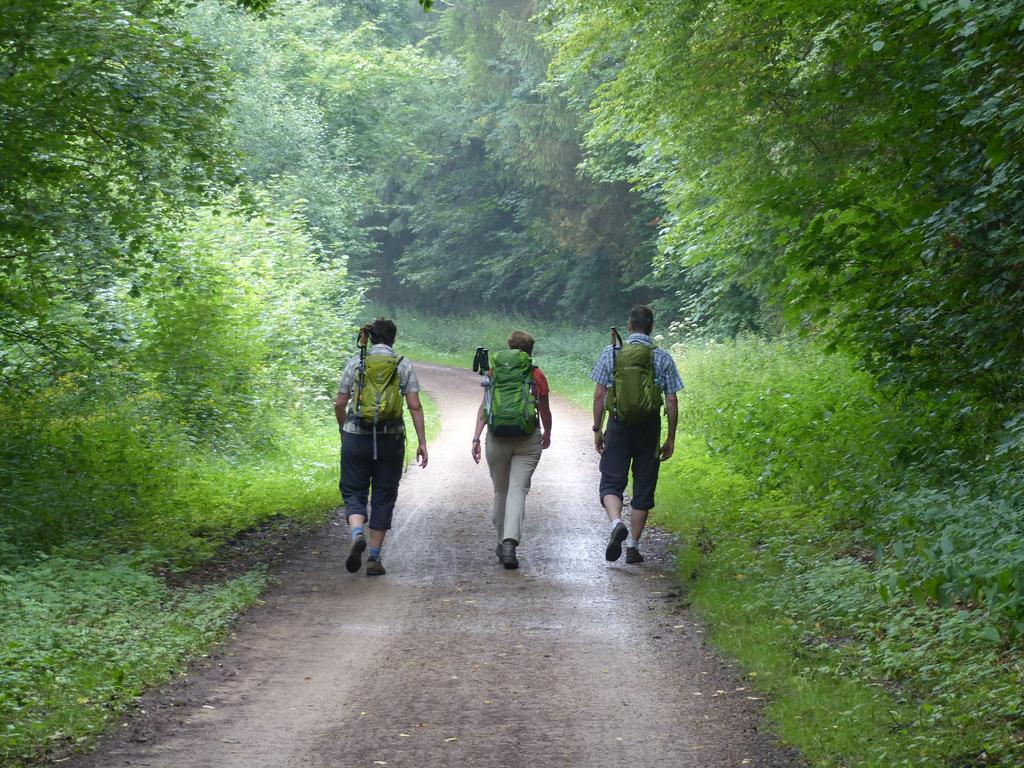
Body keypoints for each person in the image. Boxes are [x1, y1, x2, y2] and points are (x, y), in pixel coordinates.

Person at [335, 318, 428, 576]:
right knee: (384, 493)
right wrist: (421, 442)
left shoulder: (356, 362)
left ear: (370, 337)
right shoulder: (402, 365)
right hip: (390, 438)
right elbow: (415, 406)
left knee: (354, 489)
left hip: (357, 436)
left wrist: (345, 431)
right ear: (393, 339)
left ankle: (356, 533)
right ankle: (374, 558)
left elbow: (339, 403)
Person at [591, 305, 682, 564]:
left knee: (611, 481)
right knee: (644, 484)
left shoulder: (611, 353)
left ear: (629, 326)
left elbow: (600, 395)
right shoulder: (661, 357)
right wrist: (671, 437)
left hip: (618, 425)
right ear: (651, 328)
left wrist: (598, 430)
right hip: (649, 428)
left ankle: (616, 522)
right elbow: (672, 400)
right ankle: (632, 546)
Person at [471, 330, 552, 569]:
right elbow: (544, 409)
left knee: (501, 491)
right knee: (518, 490)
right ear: (530, 351)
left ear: (509, 346)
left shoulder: (494, 371)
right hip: (528, 438)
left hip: (497, 438)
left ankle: (500, 541)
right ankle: (510, 543)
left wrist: (476, 438)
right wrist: (547, 432)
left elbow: (485, 407)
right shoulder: (536, 374)